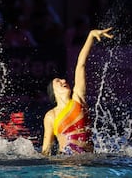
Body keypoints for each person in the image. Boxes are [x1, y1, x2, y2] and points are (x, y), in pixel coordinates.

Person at [42, 28, 114, 156]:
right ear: (53, 91)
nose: (63, 80)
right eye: (57, 81)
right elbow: (46, 149)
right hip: (65, 164)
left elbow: (81, 64)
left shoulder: (78, 98)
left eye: (62, 79)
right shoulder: (50, 116)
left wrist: (91, 36)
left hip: (89, 161)